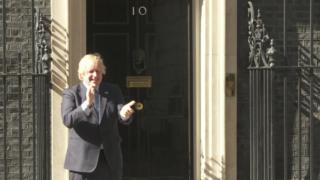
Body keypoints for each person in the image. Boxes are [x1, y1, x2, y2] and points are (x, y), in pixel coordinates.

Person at [61, 53, 135, 180]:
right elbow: (68, 120)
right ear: (81, 74)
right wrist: (87, 104)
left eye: (99, 72)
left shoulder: (113, 90)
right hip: (82, 162)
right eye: (91, 71)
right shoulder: (71, 94)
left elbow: (120, 112)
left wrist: (124, 115)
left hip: (109, 159)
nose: (95, 75)